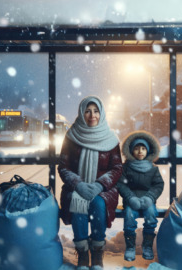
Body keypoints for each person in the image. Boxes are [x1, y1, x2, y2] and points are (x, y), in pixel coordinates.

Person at [58, 96, 122, 270]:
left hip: (103, 189)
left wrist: (99, 185)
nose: (92, 115)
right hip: (76, 187)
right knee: (78, 202)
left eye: (95, 111)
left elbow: (116, 168)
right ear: (81, 113)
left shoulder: (110, 138)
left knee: (99, 204)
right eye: (87, 111)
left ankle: (97, 252)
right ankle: (83, 254)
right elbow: (63, 167)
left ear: (101, 113)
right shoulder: (71, 136)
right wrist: (79, 184)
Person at [117, 130, 164, 261]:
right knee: (129, 217)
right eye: (137, 148)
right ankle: (130, 247)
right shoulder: (126, 167)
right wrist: (130, 197)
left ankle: (147, 246)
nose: (140, 151)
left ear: (148, 151)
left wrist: (150, 197)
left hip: (148, 200)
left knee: (151, 216)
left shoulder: (153, 168)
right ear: (131, 151)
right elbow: (121, 184)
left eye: (143, 148)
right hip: (131, 200)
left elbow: (158, 185)